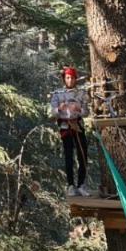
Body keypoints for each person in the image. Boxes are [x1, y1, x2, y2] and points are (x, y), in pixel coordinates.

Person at [48, 66, 89, 196]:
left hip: (78, 126)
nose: (70, 80)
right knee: (69, 157)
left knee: (83, 155)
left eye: (72, 78)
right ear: (64, 79)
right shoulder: (57, 94)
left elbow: (87, 112)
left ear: (76, 79)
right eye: (67, 78)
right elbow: (51, 112)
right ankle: (71, 185)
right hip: (65, 127)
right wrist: (59, 109)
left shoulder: (81, 93)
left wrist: (79, 110)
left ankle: (81, 184)